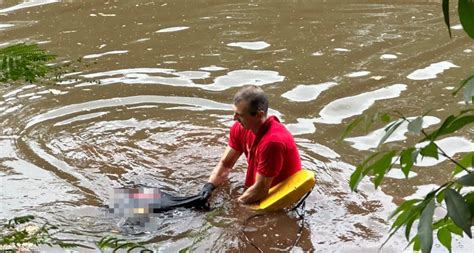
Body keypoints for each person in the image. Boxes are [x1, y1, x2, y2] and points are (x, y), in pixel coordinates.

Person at [200, 85, 301, 206]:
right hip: (260, 186)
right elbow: (225, 164)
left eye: (240, 115)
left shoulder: (272, 142)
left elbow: (260, 190)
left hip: (279, 197)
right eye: (234, 113)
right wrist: (209, 186)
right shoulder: (240, 127)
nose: (234, 118)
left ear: (259, 115)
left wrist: (234, 206)